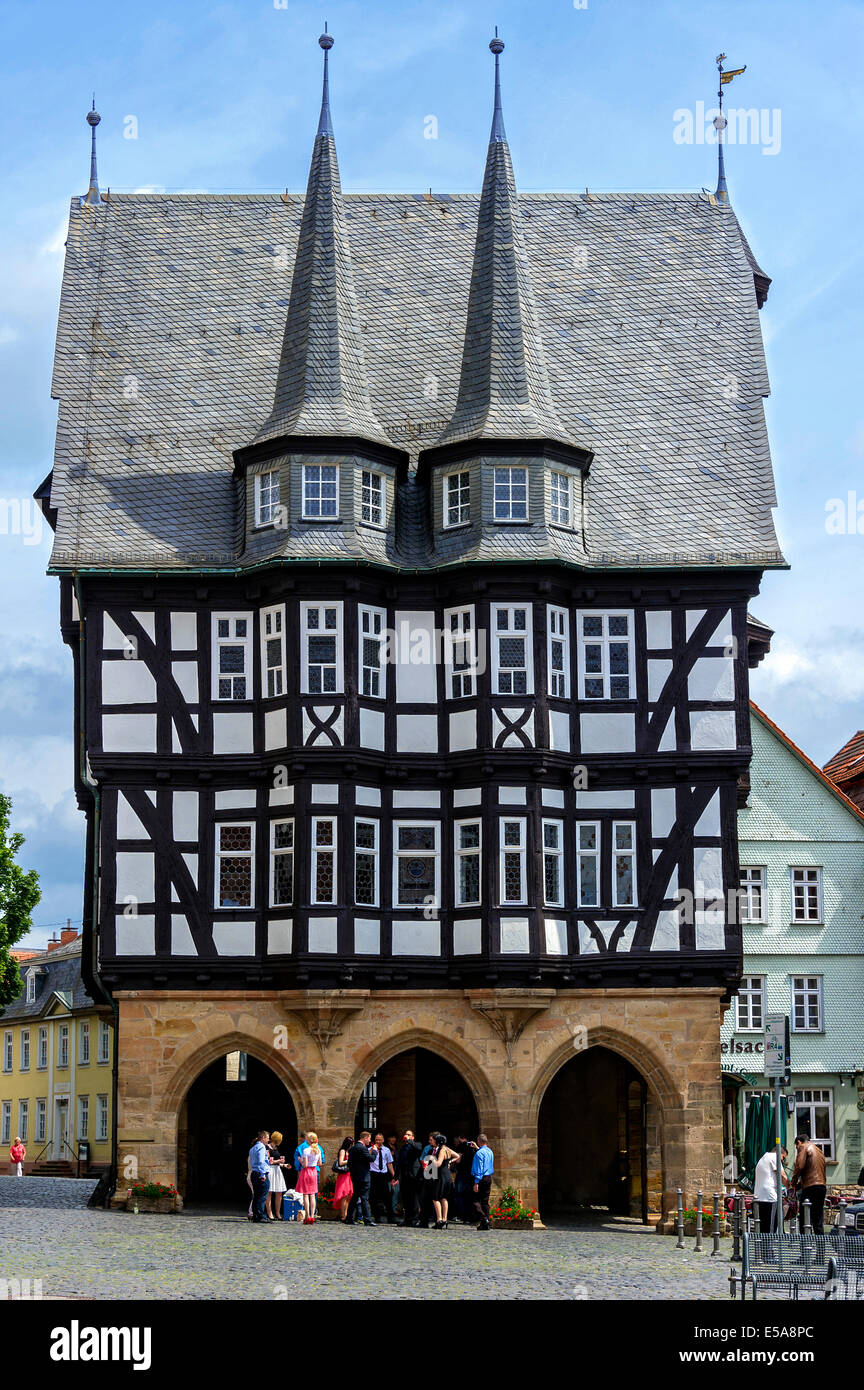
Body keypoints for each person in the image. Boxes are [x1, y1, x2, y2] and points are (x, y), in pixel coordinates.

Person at [792, 1133, 827, 1234]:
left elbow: (799, 1166)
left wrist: (793, 1183)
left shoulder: (804, 1147)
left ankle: (805, 1247)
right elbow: (814, 1170)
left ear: (799, 1142)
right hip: (821, 1187)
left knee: (804, 1219)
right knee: (818, 1220)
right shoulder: (819, 1150)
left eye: (796, 1147)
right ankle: (821, 1249)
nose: (797, 1149)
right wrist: (799, 1184)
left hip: (810, 1188)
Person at [424, 1133, 460, 1229]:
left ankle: (439, 1220)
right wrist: (449, 1161)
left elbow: (438, 1163)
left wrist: (429, 1159)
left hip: (440, 1176)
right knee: (444, 1198)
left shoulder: (442, 1150)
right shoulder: (447, 1149)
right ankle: (445, 1220)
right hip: (447, 1175)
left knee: (435, 1198)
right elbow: (457, 1156)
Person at [753, 1145, 788, 1234]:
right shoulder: (774, 1157)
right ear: (779, 1152)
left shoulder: (763, 1158)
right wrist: (790, 1186)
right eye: (783, 1157)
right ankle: (769, 1247)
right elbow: (783, 1176)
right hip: (770, 1197)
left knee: (764, 1225)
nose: (783, 1160)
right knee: (771, 1226)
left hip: (760, 1197)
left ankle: (763, 1246)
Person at [346, 1131, 376, 1226]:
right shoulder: (362, 1148)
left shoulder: (354, 1148)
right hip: (363, 1177)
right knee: (364, 1198)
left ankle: (349, 1218)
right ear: (365, 1138)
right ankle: (367, 1219)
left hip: (356, 1176)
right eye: (369, 1139)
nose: (370, 1141)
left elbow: (351, 1162)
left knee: (355, 1197)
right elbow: (371, 1159)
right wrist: (375, 1151)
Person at [396, 1130, 423, 1227]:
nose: (406, 1136)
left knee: (414, 1198)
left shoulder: (416, 1145)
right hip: (405, 1175)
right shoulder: (403, 1148)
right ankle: (407, 1219)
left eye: (409, 1135)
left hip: (414, 1175)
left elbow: (419, 1149)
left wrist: (410, 1141)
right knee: (406, 1198)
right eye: (405, 1134)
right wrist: (396, 1176)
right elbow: (400, 1162)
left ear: (413, 1137)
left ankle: (415, 1219)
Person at [369, 1132, 396, 1224]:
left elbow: (389, 1163)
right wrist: (373, 1151)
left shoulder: (386, 1150)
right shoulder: (370, 1149)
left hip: (383, 1175)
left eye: (380, 1140)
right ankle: (377, 1216)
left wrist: (394, 1175)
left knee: (387, 1197)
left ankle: (391, 1217)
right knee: (374, 1197)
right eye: (376, 1139)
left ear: (383, 1140)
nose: (378, 1141)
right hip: (373, 1174)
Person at [296, 1131, 322, 1224]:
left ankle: (307, 1216)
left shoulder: (306, 1150)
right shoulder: (318, 1150)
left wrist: (300, 1160)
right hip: (314, 1172)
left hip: (306, 1172)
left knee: (306, 1195)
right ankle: (312, 1216)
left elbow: (305, 1165)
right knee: (312, 1195)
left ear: (308, 1140)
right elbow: (320, 1163)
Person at [471, 1134, 495, 1231]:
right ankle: (486, 1223)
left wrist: (476, 1182)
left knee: (475, 1201)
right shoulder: (489, 1151)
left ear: (478, 1141)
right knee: (485, 1201)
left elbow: (479, 1168)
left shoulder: (479, 1153)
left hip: (481, 1178)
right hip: (489, 1177)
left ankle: (484, 1219)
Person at [248, 1130, 271, 1224]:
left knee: (256, 1196)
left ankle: (255, 1216)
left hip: (254, 1173)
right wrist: (262, 1174)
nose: (268, 1140)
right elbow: (261, 1161)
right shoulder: (261, 1147)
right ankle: (261, 1216)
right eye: (268, 1138)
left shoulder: (253, 1148)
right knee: (262, 1196)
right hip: (260, 1173)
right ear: (263, 1138)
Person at [266, 1130, 287, 1221]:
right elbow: (268, 1161)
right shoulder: (267, 1147)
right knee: (269, 1192)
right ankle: (269, 1212)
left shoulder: (276, 1148)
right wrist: (278, 1161)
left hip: (277, 1170)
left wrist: (284, 1165)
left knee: (279, 1192)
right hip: (270, 1170)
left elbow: (277, 1162)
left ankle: (278, 1213)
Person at [333, 1136, 354, 1222]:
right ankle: (343, 1215)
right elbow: (341, 1162)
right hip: (343, 1175)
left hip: (349, 1175)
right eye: (351, 1144)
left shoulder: (349, 1151)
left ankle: (346, 1214)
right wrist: (350, 1160)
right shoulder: (343, 1151)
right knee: (344, 1195)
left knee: (348, 1196)